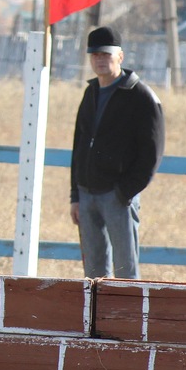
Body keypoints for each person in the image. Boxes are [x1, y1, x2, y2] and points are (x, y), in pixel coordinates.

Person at [68, 25, 165, 279]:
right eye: (95, 54)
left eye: (106, 54)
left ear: (120, 56)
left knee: (125, 273)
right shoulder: (90, 93)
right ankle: (96, 319)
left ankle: (128, 319)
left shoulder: (141, 96)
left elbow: (152, 153)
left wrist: (125, 192)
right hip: (87, 195)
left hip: (118, 197)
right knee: (93, 276)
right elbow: (79, 145)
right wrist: (75, 195)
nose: (100, 59)